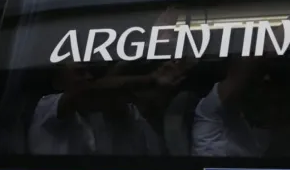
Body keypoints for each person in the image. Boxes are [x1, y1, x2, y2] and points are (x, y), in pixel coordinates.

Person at [192, 0, 290, 157]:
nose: (262, 88)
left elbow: (285, 132)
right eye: (256, 82)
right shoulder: (210, 112)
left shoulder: (255, 127)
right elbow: (256, 59)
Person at [28, 60, 186, 156]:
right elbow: (87, 91)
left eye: (90, 73)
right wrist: (152, 79)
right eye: (80, 73)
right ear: (58, 82)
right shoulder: (47, 107)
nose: (88, 77)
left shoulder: (111, 117)